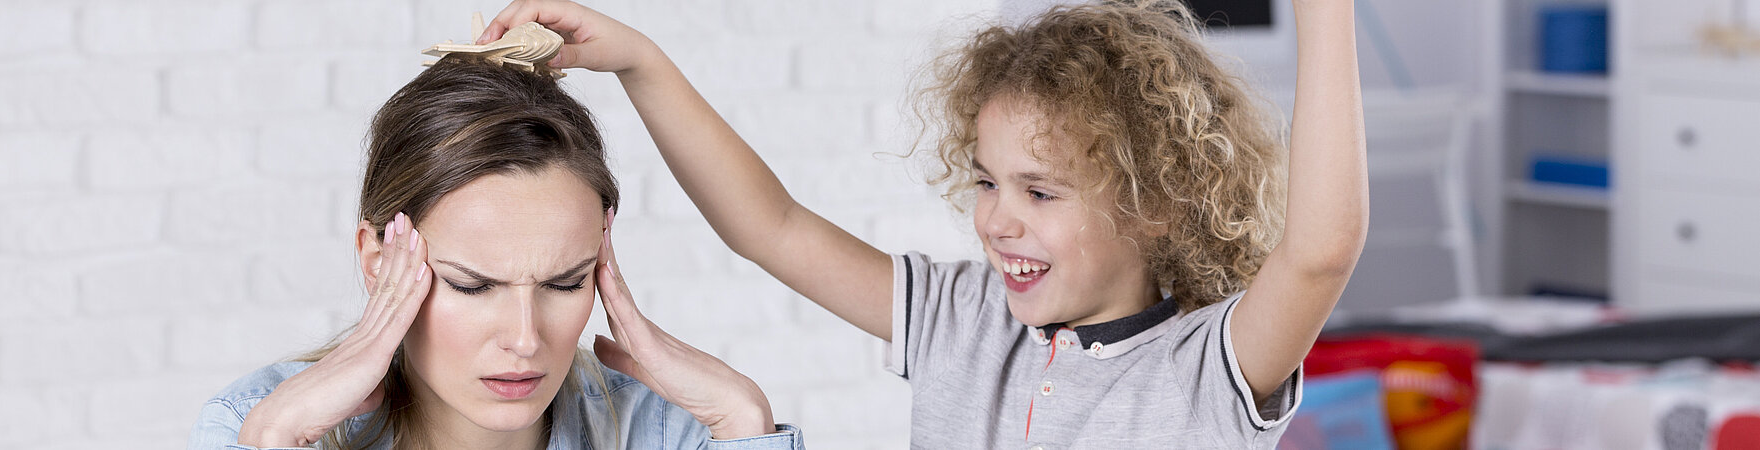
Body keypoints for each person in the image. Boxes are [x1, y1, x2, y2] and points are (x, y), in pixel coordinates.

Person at [479, 0, 1367, 447]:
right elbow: (770, 226)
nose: (997, 221)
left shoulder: (1207, 369)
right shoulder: (965, 319)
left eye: (1042, 192)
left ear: (1158, 203)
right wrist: (641, 62)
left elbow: (1320, 252)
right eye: (987, 183)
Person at [187, 53, 806, 450]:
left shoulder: (668, 432)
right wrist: (273, 440)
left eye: (566, 283)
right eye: (472, 285)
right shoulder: (254, 425)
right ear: (378, 259)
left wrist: (744, 421)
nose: (526, 339)